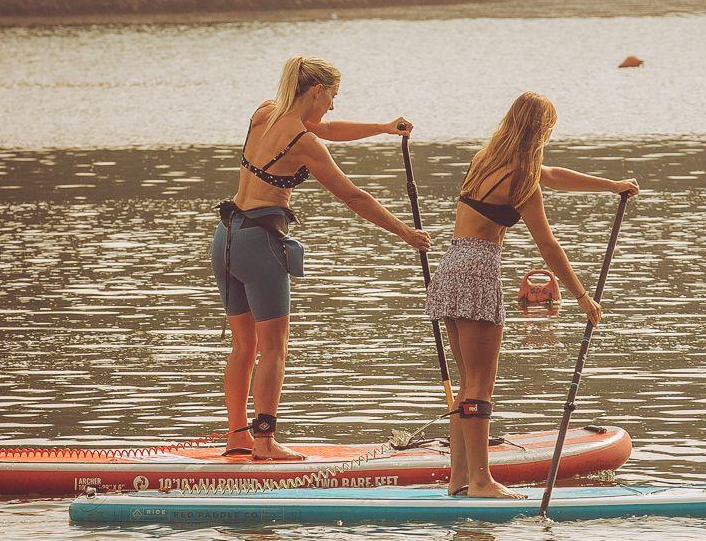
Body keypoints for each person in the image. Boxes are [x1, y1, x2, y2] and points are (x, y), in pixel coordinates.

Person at [213, 56, 428, 461]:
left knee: (243, 347)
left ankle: (237, 436)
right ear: (316, 91)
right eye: (332, 96)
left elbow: (327, 128)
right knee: (274, 348)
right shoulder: (303, 144)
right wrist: (405, 232)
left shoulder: (263, 114)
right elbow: (353, 196)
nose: (332, 105)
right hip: (261, 245)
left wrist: (382, 128)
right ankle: (265, 441)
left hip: (226, 238)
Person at [424, 92, 638, 497]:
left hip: (451, 266)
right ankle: (482, 481)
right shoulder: (521, 179)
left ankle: (459, 479)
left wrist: (611, 186)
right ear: (540, 131)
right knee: (480, 385)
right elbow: (548, 245)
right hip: (478, 272)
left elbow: (552, 174)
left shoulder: (484, 159)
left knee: (467, 380)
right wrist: (581, 296)